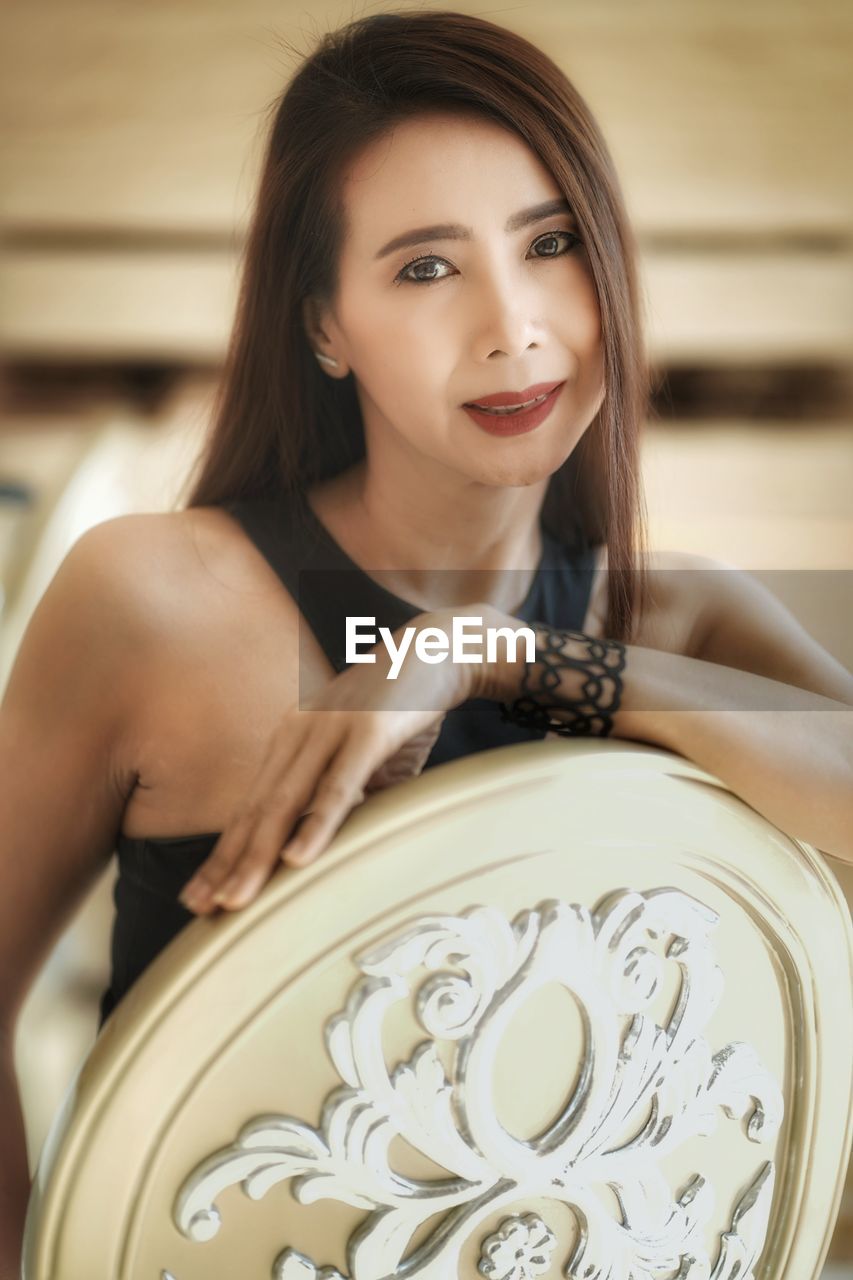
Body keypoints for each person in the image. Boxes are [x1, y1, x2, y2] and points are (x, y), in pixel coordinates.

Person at [1, 10, 852, 1273]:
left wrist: (491, 657)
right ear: (323, 326)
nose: (513, 327)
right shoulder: (151, 596)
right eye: (424, 267)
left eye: (551, 244)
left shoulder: (673, 611)